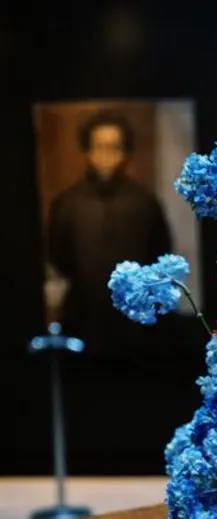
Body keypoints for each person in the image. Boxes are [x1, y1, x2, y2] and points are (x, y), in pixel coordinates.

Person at [46, 110, 172, 348]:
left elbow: (160, 255)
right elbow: (58, 258)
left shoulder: (145, 203)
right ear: (88, 150)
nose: (107, 155)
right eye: (100, 146)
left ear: (125, 151)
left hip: (135, 325)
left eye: (115, 147)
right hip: (83, 320)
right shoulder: (66, 204)